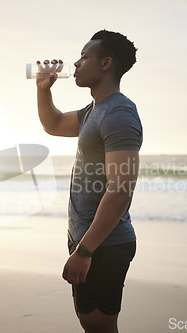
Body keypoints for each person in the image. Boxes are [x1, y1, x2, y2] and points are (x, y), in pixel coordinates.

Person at [35, 30, 142, 333]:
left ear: (106, 63)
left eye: (84, 57)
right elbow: (53, 124)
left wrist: (85, 251)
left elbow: (120, 190)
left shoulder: (119, 113)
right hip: (87, 238)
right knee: (91, 322)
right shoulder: (93, 111)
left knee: (98, 323)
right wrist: (44, 89)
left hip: (103, 243)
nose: (76, 64)